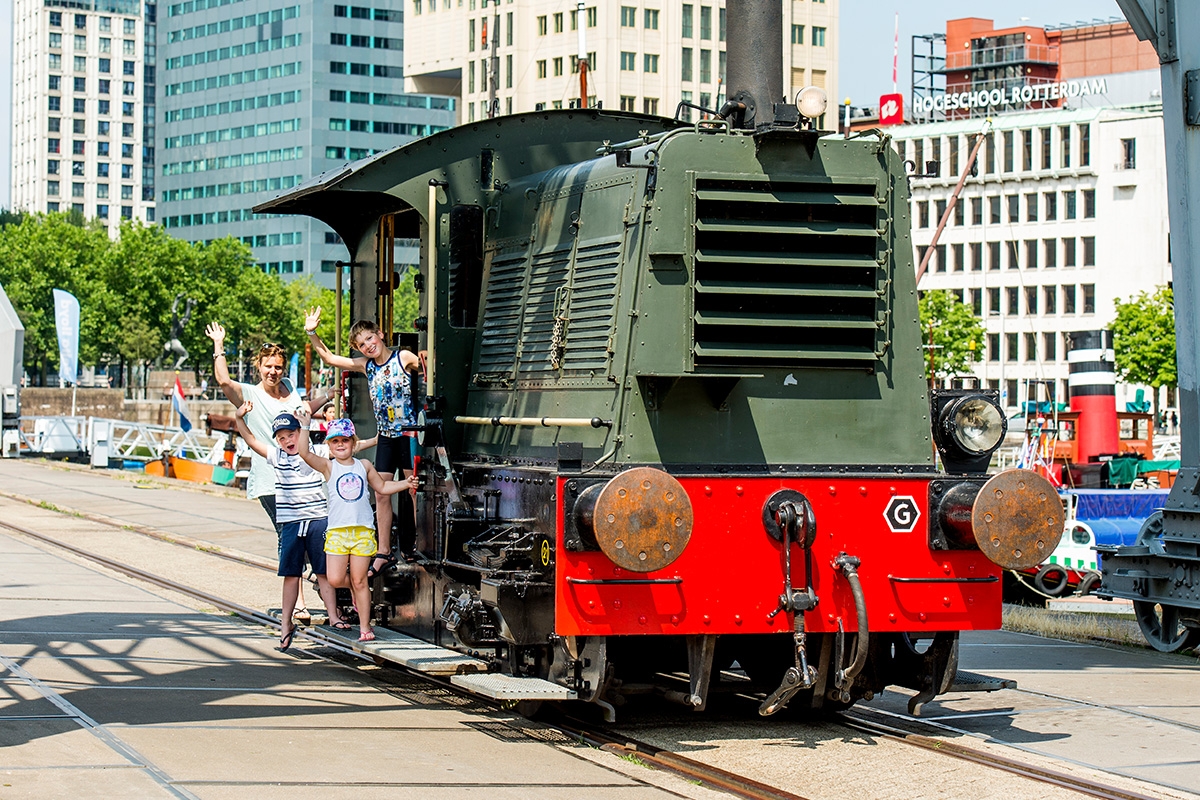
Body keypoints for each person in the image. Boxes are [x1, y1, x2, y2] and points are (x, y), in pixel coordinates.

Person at [206, 322, 327, 623]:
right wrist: (219, 344)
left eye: (278, 366)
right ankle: (298, 603)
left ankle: (322, 591)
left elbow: (300, 412)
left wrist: (327, 397)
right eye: (268, 366)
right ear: (258, 366)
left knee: (313, 533)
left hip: (302, 478)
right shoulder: (249, 395)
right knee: (290, 534)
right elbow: (223, 381)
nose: (273, 371)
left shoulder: (289, 389)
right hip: (272, 480)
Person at [303, 308, 420, 578]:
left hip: (410, 435)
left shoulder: (402, 357)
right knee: (381, 492)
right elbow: (330, 357)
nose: (368, 346)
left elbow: (425, 365)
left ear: (380, 334)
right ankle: (384, 550)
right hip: (388, 437)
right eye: (361, 344)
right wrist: (312, 332)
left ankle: (415, 543)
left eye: (370, 339)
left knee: (412, 489)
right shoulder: (367, 366)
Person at [234, 404, 347, 649]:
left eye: (291, 435)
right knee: (291, 574)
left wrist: (374, 441)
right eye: (281, 437)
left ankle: (334, 616)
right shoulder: (276, 456)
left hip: (318, 518)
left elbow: (345, 448)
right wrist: (238, 418)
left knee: (323, 572)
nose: (287, 440)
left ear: (300, 433)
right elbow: (251, 440)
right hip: (291, 522)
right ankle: (286, 624)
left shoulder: (315, 451)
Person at [297, 417, 417, 642]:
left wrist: (405, 483)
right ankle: (353, 588)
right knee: (334, 579)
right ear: (329, 445)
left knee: (360, 580)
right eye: (335, 441)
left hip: (362, 532)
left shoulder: (364, 466)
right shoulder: (328, 466)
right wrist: (304, 426)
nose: (340, 445)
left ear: (353, 442)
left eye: (345, 440)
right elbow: (304, 453)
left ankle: (365, 627)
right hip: (337, 533)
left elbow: (382, 487)